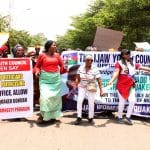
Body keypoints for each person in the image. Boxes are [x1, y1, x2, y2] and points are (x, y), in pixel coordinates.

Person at [108, 49, 150, 125]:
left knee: (132, 101)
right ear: (122, 55)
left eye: (129, 54)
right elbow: (116, 72)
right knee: (122, 102)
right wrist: (112, 80)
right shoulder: (119, 63)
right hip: (121, 86)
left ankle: (128, 116)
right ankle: (120, 117)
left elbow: (141, 67)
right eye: (126, 54)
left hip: (131, 86)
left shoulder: (132, 63)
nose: (128, 55)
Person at [34, 40, 66, 124]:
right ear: (48, 47)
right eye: (53, 45)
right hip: (45, 79)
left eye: (55, 45)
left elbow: (62, 67)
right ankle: (42, 115)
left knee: (55, 98)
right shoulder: (42, 56)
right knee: (44, 98)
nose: (55, 47)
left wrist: (65, 67)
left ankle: (55, 116)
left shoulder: (57, 56)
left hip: (55, 79)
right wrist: (37, 72)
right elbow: (37, 66)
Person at [74, 54, 104, 125]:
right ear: (84, 60)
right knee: (79, 101)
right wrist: (75, 84)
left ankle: (90, 118)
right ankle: (79, 117)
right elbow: (77, 77)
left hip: (91, 87)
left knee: (91, 102)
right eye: (87, 60)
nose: (88, 61)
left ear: (92, 61)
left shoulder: (95, 69)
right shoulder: (81, 68)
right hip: (82, 86)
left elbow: (99, 80)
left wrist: (101, 90)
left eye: (90, 60)